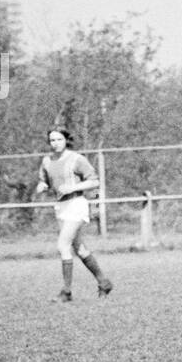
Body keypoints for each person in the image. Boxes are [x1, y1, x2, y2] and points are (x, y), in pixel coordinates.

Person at [36, 128, 113, 301]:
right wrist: (42, 186)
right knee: (79, 248)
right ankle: (104, 282)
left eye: (59, 139)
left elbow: (94, 181)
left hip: (76, 204)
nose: (56, 143)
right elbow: (44, 180)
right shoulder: (47, 161)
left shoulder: (77, 159)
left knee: (63, 246)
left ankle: (66, 292)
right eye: (52, 140)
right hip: (61, 207)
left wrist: (73, 187)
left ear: (66, 140)